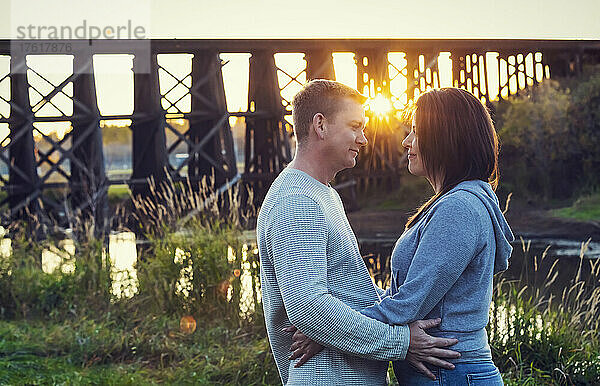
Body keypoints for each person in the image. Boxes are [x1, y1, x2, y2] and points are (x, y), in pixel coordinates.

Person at [291, 87, 514, 385]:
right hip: (447, 374)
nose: (406, 142)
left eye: (415, 132)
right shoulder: (454, 203)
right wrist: (335, 320)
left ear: (445, 137)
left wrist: (326, 333)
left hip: (452, 374)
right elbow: (404, 296)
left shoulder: (459, 209)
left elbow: (409, 304)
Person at [257, 79, 461, 385]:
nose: (363, 138)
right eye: (355, 126)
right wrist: (402, 342)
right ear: (320, 126)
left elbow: (350, 294)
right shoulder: (296, 202)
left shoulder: (321, 194)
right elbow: (309, 308)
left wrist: (406, 309)